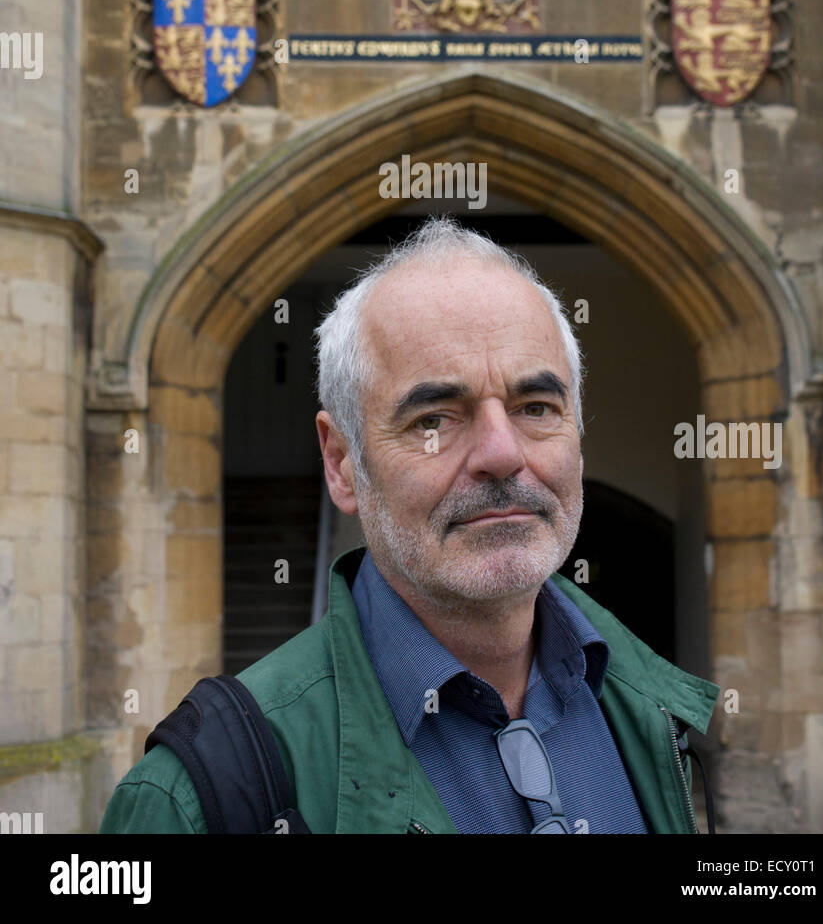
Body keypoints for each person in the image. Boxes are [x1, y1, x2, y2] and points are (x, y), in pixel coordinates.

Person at [101, 215, 718, 834]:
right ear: (342, 463)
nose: (502, 454)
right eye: (434, 420)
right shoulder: (191, 800)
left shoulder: (649, 709)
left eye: (536, 407)